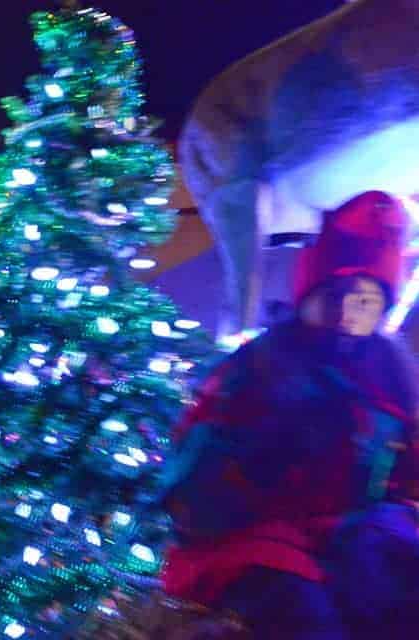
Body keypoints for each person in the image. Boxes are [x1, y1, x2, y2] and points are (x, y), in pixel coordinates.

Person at [159, 191, 419, 639]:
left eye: (364, 300)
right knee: (306, 615)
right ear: (308, 297)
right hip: (254, 539)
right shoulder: (258, 366)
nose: (345, 313)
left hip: (352, 535)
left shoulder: (390, 376)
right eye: (334, 295)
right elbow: (197, 484)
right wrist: (275, 447)